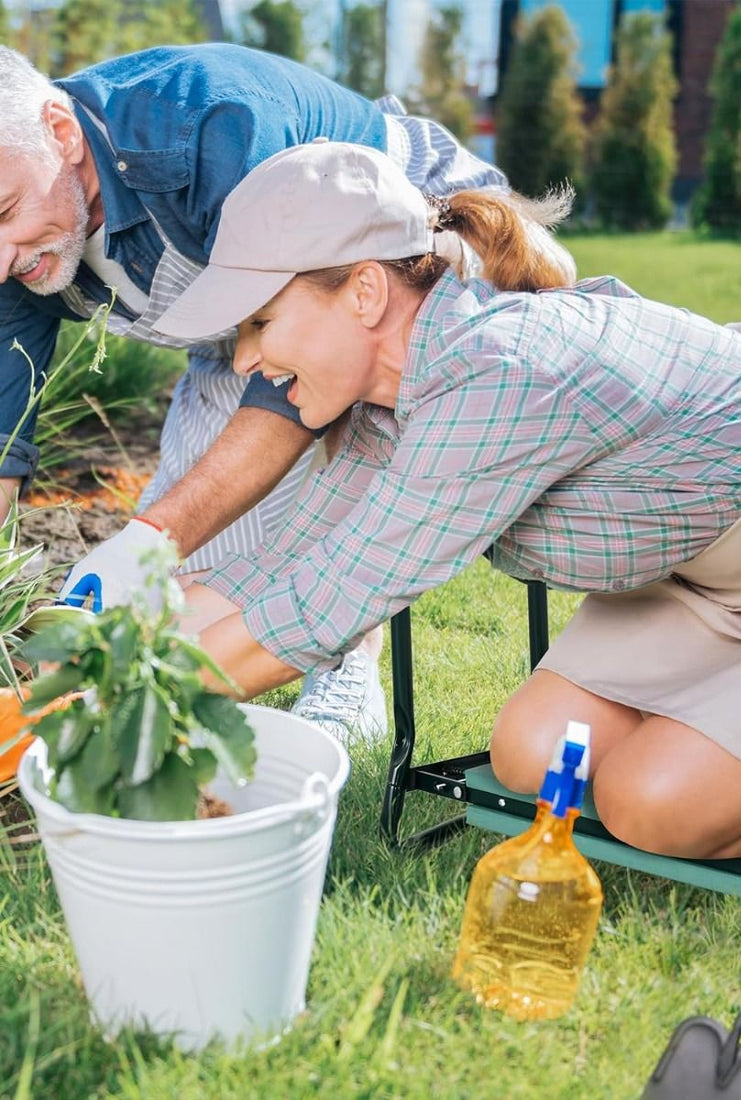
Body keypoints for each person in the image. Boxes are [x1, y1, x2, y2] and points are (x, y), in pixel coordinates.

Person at [157, 141, 741, 859]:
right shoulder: (388, 403)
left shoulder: (498, 372)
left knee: (646, 804)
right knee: (534, 753)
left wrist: (114, 708)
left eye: (260, 323)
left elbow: (324, 605)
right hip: (738, 586)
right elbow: (266, 570)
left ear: (361, 292)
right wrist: (100, 651)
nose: (244, 363)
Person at [0, 42, 572, 742]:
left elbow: (312, 364)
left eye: (4, 212)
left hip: (402, 265)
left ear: (61, 134)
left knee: (339, 443)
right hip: (247, 328)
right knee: (182, 590)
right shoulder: (18, 242)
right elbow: (4, 439)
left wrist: (147, 540)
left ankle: (346, 668)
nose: (1, 259)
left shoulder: (204, 128)